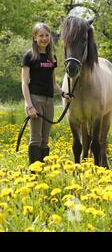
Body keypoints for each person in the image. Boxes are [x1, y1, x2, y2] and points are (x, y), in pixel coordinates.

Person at [21, 23, 70, 165]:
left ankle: (43, 171)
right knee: (36, 138)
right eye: (41, 35)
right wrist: (29, 106)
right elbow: (24, 83)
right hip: (35, 100)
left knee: (45, 140)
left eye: (47, 35)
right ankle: (34, 174)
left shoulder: (52, 57)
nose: (44, 38)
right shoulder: (29, 56)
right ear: (35, 37)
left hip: (49, 101)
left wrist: (63, 93)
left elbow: (53, 84)